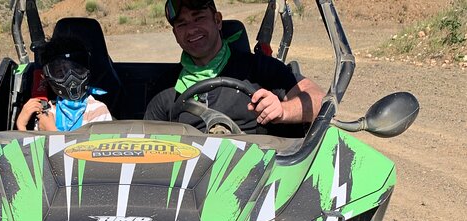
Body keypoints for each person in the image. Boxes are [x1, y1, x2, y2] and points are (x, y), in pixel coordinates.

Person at [144, 0, 325, 134]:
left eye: (199, 18)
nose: (191, 30)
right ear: (175, 34)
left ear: (217, 20)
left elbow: (319, 100)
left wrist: (283, 111)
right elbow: (147, 145)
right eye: (182, 24)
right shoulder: (165, 88)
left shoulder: (259, 68)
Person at [16, 37, 112, 131]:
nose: (71, 77)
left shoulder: (97, 110)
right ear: (48, 76)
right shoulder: (46, 111)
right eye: (60, 72)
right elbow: (34, 146)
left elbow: (90, 146)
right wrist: (21, 126)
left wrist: (52, 132)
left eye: (76, 69)